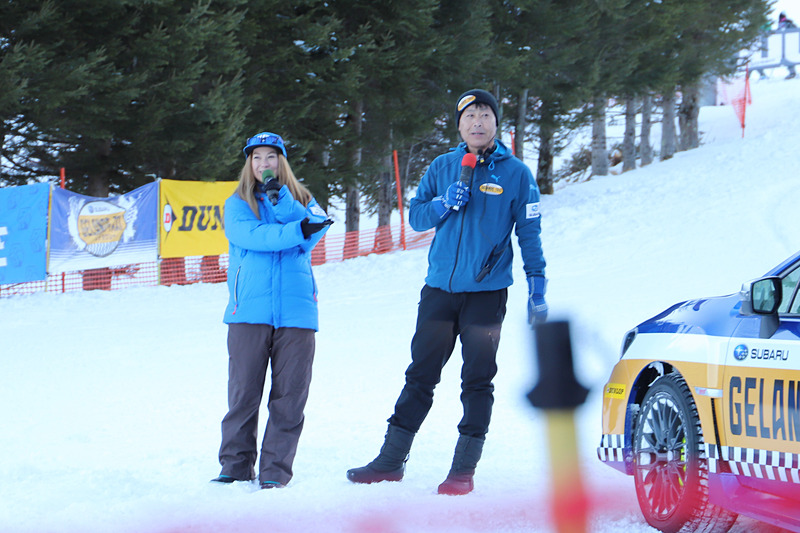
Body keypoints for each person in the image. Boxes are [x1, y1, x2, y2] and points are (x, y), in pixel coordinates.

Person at [346, 89, 547, 495]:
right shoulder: (443, 166)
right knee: (420, 375)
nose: (477, 122)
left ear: (496, 123)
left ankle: (462, 471)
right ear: (459, 125)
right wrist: (441, 205)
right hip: (439, 292)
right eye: (470, 115)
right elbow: (417, 216)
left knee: (477, 380)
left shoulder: (516, 175)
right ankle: (390, 460)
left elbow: (530, 233)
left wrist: (537, 286)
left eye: (485, 114)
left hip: (486, 296)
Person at [211, 131, 332, 489]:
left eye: (271, 157)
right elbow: (257, 238)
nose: (264, 164)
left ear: (282, 162)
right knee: (243, 394)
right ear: (248, 164)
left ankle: (275, 473)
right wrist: (297, 227)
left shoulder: (305, 200)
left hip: (297, 314)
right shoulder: (236, 205)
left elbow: (316, 230)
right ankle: (234, 467)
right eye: (256, 158)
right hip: (248, 311)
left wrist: (283, 202)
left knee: (290, 397)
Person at [778, 11, 797, 79]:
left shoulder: (787, 23)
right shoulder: (784, 23)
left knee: (790, 57)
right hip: (787, 45)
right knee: (788, 58)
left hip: (791, 43)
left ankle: (792, 72)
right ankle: (792, 72)